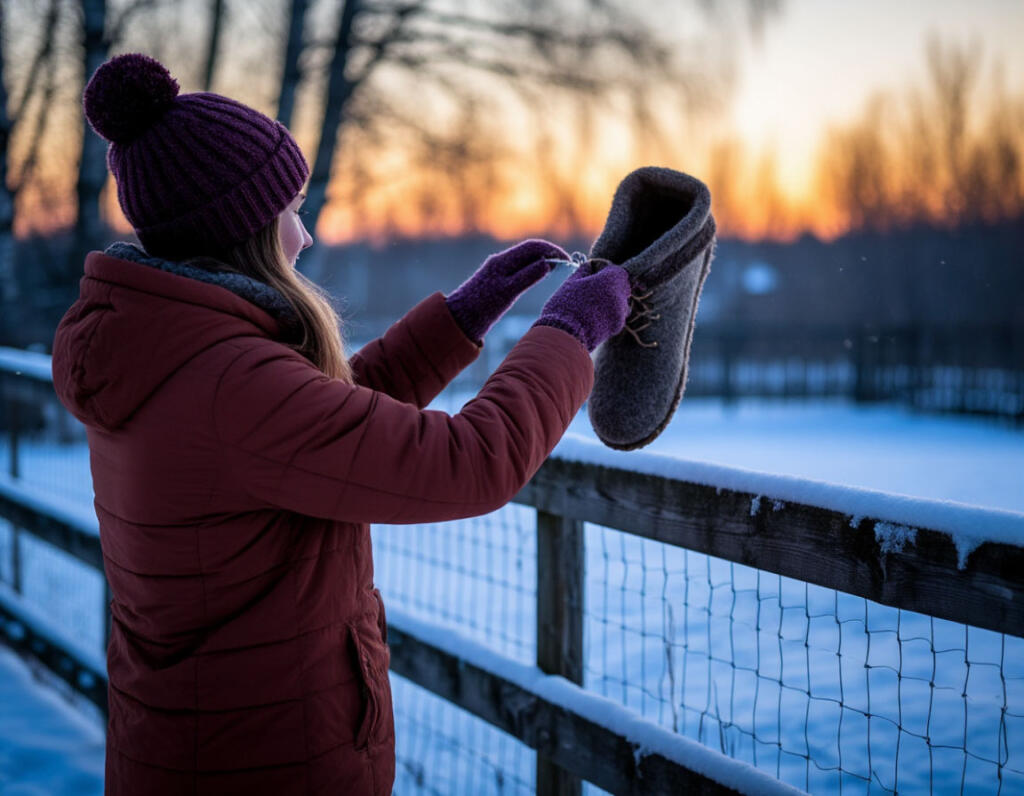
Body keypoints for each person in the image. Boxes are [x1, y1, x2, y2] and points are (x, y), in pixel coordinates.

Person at [51, 53, 631, 796]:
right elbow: (470, 461)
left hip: (194, 743)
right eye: (289, 212)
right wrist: (568, 330)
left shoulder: (163, 354)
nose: (305, 237)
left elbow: (316, 430)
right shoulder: (229, 384)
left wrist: (462, 317)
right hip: (269, 762)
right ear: (245, 231)